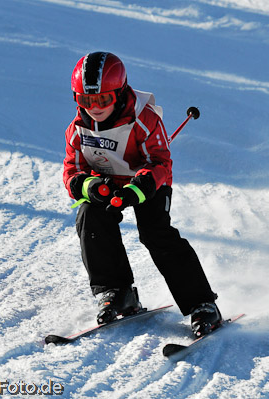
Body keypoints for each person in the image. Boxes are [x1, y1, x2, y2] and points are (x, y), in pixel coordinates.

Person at [62, 51, 222, 337]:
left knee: (155, 232)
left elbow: (160, 161)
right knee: (89, 216)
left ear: (120, 92)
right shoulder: (78, 129)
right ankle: (117, 291)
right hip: (107, 183)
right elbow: (72, 169)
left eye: (103, 100)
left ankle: (202, 304)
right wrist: (89, 186)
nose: (95, 108)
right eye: (86, 101)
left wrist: (139, 189)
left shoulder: (143, 120)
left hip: (148, 183)